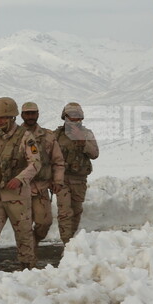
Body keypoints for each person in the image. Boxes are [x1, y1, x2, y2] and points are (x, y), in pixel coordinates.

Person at [0, 97, 41, 279]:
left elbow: (36, 163)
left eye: (3, 118)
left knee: (24, 236)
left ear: (12, 118)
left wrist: (20, 179)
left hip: (17, 196)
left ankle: (28, 272)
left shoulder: (26, 138)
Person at [19, 101, 67, 245]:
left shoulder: (47, 136)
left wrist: (58, 181)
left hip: (40, 188)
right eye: (27, 113)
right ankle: (28, 256)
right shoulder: (15, 136)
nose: (30, 116)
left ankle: (33, 242)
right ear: (22, 115)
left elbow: (58, 160)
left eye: (33, 113)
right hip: (19, 188)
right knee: (23, 226)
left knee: (44, 223)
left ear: (38, 114)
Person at [54, 102, 99, 242]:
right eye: (71, 117)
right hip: (62, 179)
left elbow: (95, 154)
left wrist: (83, 141)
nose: (74, 120)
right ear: (65, 117)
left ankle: (71, 241)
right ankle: (66, 243)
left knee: (76, 212)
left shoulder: (87, 134)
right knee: (64, 212)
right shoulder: (56, 135)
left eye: (77, 117)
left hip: (79, 180)